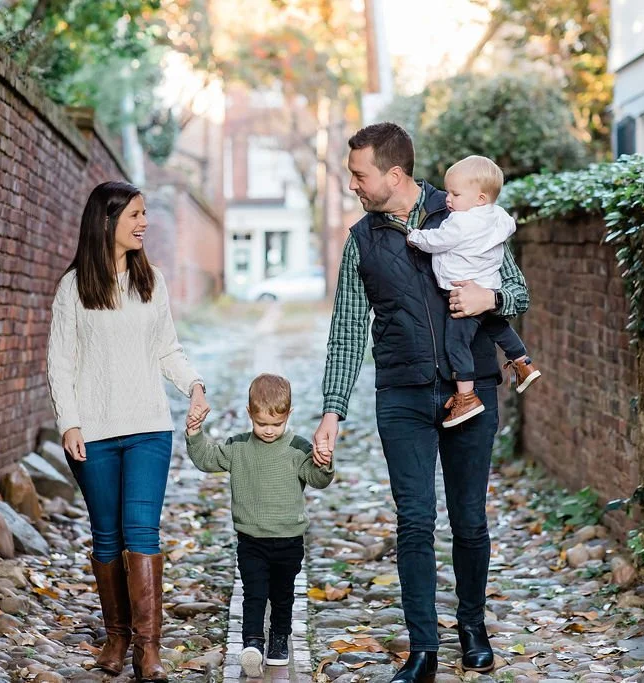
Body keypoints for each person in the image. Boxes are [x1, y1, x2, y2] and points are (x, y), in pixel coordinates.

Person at [311, 123, 530, 682]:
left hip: (471, 390)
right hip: (402, 394)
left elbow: (519, 291)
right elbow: (346, 330)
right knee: (414, 519)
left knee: (470, 518)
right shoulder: (362, 239)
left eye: (360, 175)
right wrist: (333, 410)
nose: (353, 185)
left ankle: (473, 627)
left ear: (394, 174)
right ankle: (424, 649)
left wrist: (492, 296)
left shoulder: (461, 211)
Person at [46, 181, 210, 682]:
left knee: (141, 532)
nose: (144, 223)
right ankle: (116, 636)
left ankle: (149, 649)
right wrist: (69, 422)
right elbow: (60, 362)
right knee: (105, 537)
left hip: (148, 430)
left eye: (144, 214)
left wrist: (195, 386)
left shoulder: (152, 282)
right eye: (135, 215)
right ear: (106, 221)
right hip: (92, 433)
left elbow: (167, 350)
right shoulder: (73, 288)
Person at [184, 374, 334, 678]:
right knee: (253, 592)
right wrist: (195, 433)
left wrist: (323, 461)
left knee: (283, 594)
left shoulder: (298, 448)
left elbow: (318, 481)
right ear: (250, 414)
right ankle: (252, 642)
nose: (268, 430)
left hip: (289, 540)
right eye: (261, 423)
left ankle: (280, 639)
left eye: (276, 424)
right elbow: (207, 459)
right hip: (251, 539)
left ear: (288, 416)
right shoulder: (238, 447)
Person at [407, 155, 541, 428]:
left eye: (455, 194)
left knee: (456, 342)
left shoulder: (460, 222)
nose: (448, 199)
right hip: (487, 288)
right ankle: (523, 362)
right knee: (497, 326)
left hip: (460, 295)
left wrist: (414, 236)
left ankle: (466, 396)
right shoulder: (499, 217)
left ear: (480, 198)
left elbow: (437, 240)